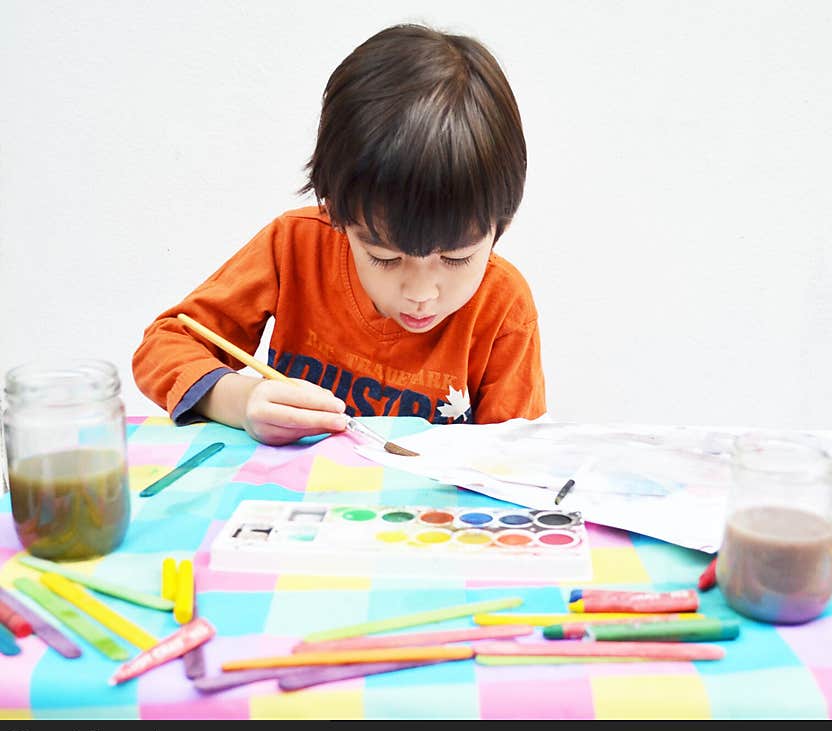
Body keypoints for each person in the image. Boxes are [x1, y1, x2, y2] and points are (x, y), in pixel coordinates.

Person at [132, 23, 546, 446]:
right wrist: (240, 399)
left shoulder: (503, 307)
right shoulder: (294, 247)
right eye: (384, 257)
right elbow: (163, 346)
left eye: (456, 258)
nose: (421, 293)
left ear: (502, 227)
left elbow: (515, 465)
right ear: (336, 214)